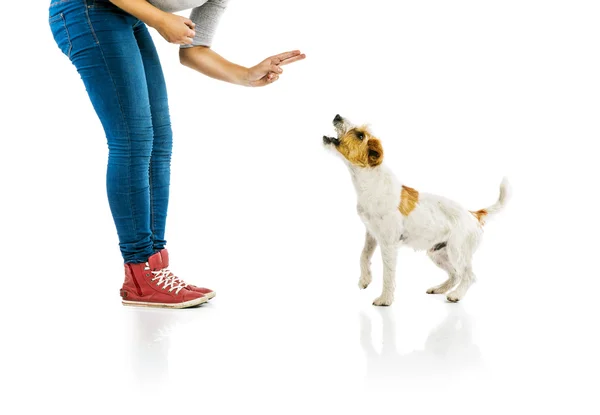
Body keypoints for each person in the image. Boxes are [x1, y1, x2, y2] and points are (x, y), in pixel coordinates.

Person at [48, 0, 305, 309]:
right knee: (132, 140)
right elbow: (165, 24)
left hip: (127, 16)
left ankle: (153, 269)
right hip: (85, 8)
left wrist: (248, 75)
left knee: (158, 141)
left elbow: (194, 51)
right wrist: (159, 19)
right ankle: (141, 271)